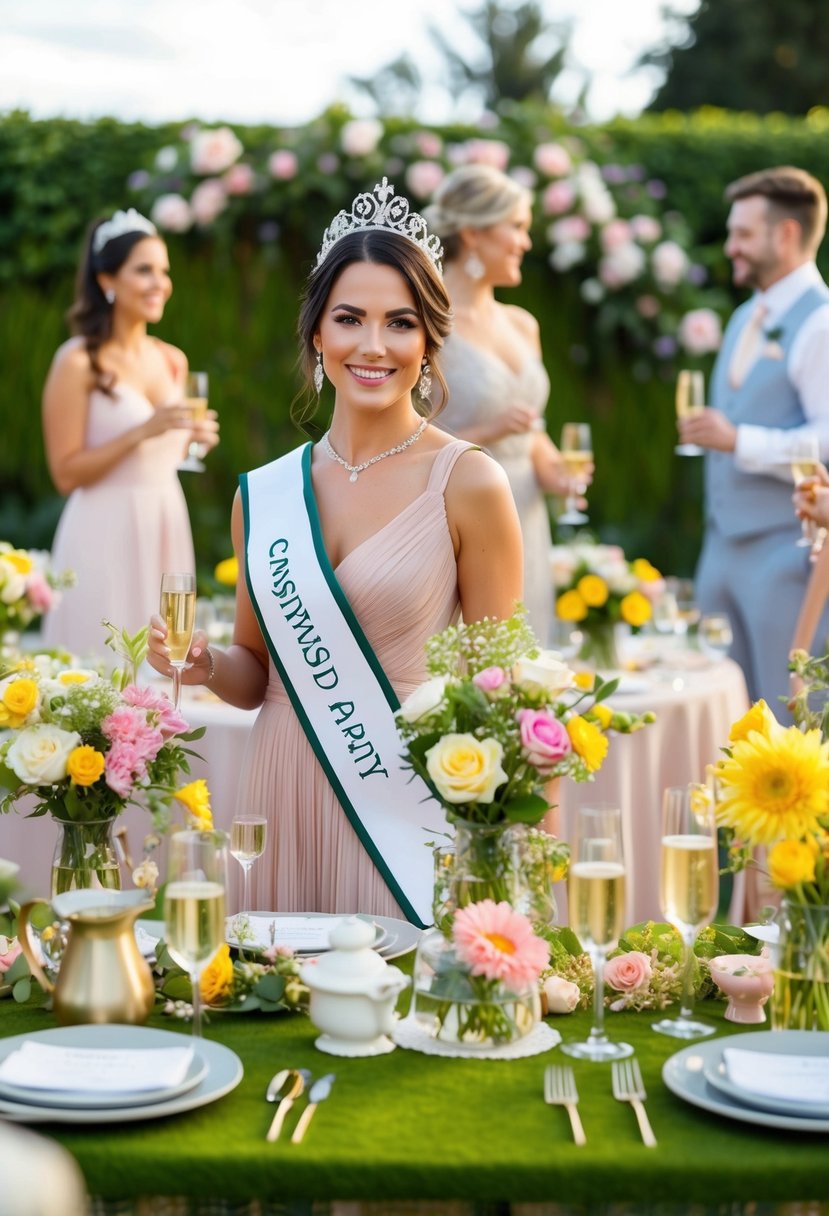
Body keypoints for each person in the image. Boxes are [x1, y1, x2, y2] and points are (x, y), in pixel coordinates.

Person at [147, 180, 524, 925]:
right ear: (317, 334)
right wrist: (203, 665)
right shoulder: (264, 495)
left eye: (400, 323)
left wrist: (507, 859)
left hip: (404, 802)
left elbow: (500, 691)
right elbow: (255, 675)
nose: (373, 345)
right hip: (282, 781)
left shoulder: (470, 481)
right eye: (349, 318)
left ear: (429, 341)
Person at [679, 166, 829, 709]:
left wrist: (738, 438)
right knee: (721, 713)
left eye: (742, 233)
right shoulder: (745, 316)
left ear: (785, 234)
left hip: (785, 554)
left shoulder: (822, 324)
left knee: (788, 710)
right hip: (721, 548)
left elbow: (827, 440)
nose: (730, 246)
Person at [41, 208, 219, 658]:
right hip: (101, 533)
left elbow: (168, 452)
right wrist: (144, 430)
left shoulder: (172, 359)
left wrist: (195, 439)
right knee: (100, 669)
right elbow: (65, 474)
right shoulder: (77, 361)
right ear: (107, 280)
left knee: (164, 668)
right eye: (144, 270)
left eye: (164, 270)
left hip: (165, 524)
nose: (160, 282)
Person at [423, 164, 587, 644]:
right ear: (472, 233)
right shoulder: (425, 322)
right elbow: (399, 439)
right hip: (457, 516)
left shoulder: (523, 324)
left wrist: (554, 469)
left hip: (528, 513)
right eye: (516, 227)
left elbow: (530, 429)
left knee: (526, 667)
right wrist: (485, 433)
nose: (525, 242)